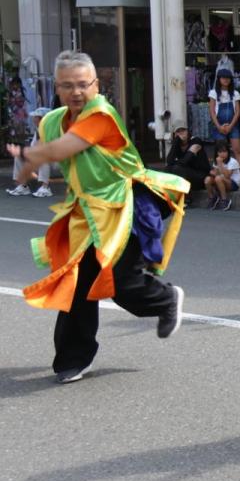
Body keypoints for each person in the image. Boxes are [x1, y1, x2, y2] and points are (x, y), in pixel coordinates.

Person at [5, 50, 187, 384]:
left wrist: (27, 156)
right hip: (85, 213)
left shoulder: (101, 115)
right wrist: (28, 165)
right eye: (68, 85)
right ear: (57, 89)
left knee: (121, 282)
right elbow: (51, 155)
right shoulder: (51, 120)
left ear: (96, 85)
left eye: (83, 84)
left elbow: (61, 151)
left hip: (124, 207)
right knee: (77, 284)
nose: (76, 92)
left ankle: (165, 299)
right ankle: (73, 358)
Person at [208, 68, 240, 175]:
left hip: (233, 125)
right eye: (223, 77)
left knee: (238, 150)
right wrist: (219, 126)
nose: (226, 80)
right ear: (219, 79)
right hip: (218, 125)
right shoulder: (213, 93)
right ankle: (219, 174)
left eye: (228, 78)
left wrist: (230, 126)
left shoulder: (235, 93)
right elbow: (211, 111)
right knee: (221, 151)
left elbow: (238, 112)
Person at [8, 107, 53, 197]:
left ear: (42, 118)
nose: (33, 119)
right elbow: (33, 147)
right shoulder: (38, 130)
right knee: (18, 156)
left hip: (56, 160)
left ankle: (45, 188)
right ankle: (23, 186)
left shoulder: (51, 129)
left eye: (35, 117)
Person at [165, 125, 209, 204]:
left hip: (200, 176)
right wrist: (176, 142)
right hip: (187, 175)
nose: (181, 133)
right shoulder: (177, 144)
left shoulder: (196, 141)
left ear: (188, 131)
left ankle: (186, 198)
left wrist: (175, 163)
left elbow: (185, 160)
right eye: (178, 131)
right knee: (168, 168)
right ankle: (170, 197)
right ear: (175, 134)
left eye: (183, 130)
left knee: (177, 168)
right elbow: (169, 161)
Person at [203, 139, 240, 211]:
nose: (222, 154)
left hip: (233, 183)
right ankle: (212, 198)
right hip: (221, 181)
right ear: (217, 153)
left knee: (218, 178)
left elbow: (227, 176)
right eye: (220, 152)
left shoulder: (233, 161)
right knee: (207, 180)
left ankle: (224, 200)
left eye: (224, 151)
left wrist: (220, 164)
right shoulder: (216, 161)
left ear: (228, 152)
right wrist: (213, 172)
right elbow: (215, 173)